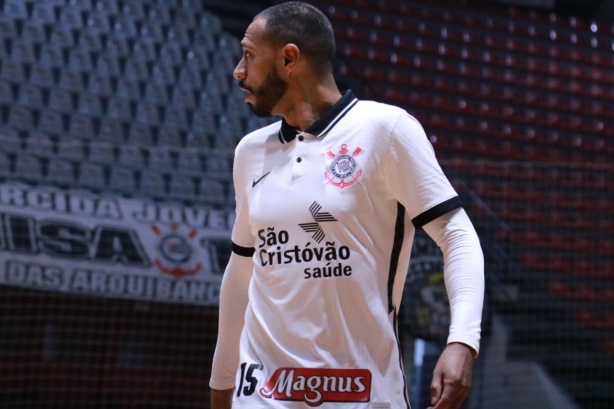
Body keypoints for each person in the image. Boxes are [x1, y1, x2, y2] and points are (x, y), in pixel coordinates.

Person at [209, 2, 484, 408]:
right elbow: (242, 271)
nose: (238, 70)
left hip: (360, 391)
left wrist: (462, 340)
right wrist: (222, 383)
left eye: (249, 55)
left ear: (289, 59)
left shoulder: (385, 130)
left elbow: (457, 235)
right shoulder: (251, 152)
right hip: (261, 392)